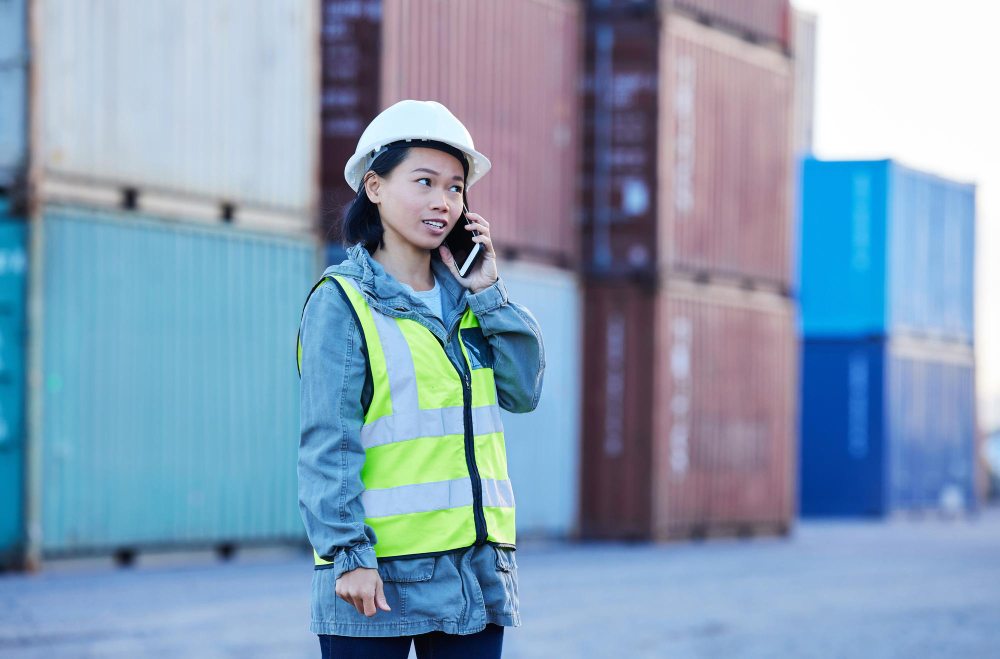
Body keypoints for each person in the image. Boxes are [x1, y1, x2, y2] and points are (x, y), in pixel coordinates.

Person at [297, 99, 545, 659]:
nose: (443, 202)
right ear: (375, 187)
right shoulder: (343, 303)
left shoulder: (472, 301)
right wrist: (347, 555)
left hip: (472, 574)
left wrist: (489, 292)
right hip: (374, 578)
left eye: (456, 188)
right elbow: (327, 442)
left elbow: (524, 392)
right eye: (425, 182)